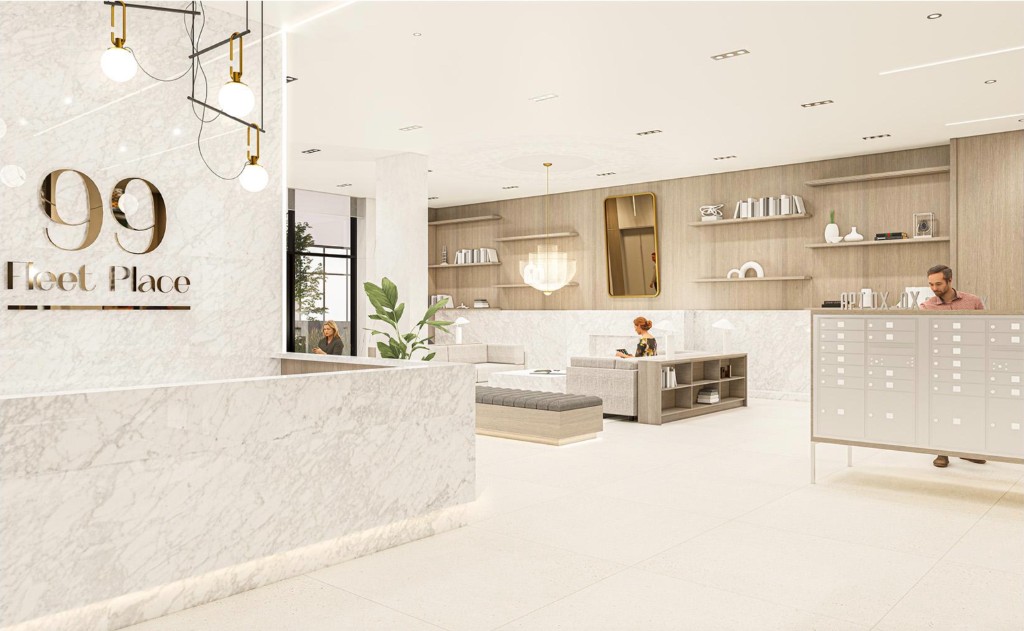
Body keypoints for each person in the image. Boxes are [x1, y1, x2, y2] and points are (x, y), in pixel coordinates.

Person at [919, 264, 985, 468]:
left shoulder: (973, 301)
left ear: (950, 281)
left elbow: (985, 329)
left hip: (969, 362)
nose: (934, 288)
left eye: (938, 283)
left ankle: (966, 449)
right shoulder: (927, 306)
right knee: (942, 407)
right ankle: (942, 452)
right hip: (942, 364)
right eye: (931, 284)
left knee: (969, 406)